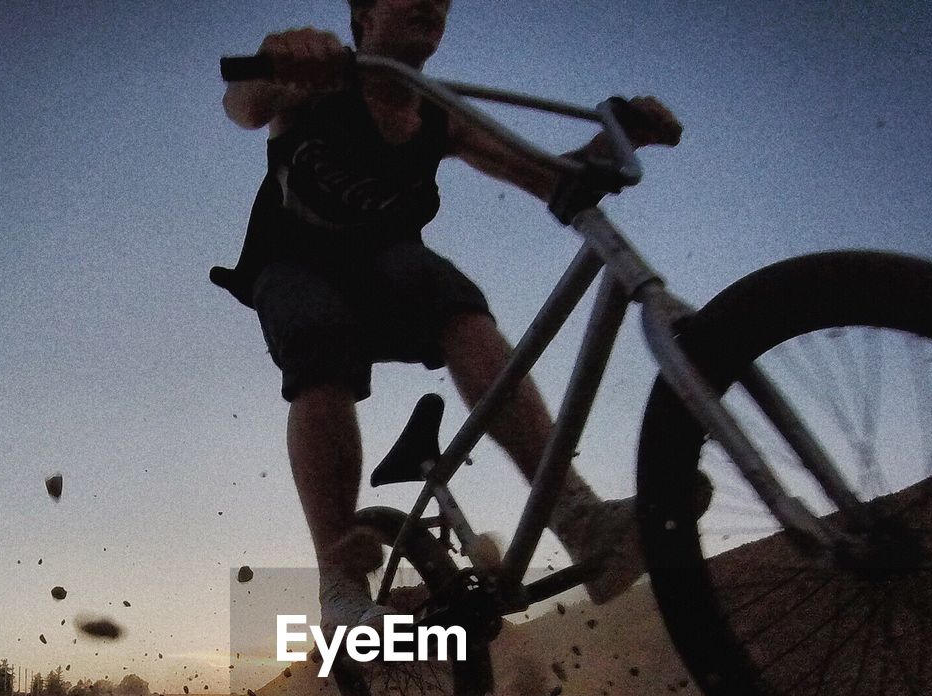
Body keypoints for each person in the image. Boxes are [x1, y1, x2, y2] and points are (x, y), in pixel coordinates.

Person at [213, 0, 684, 632]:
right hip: (295, 261)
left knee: (453, 301)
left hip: (386, 268)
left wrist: (616, 138)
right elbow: (243, 104)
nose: (431, 2)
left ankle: (579, 520)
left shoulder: (438, 114)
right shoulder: (318, 82)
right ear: (363, 13)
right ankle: (340, 583)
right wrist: (284, 59)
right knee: (320, 341)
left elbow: (550, 179)